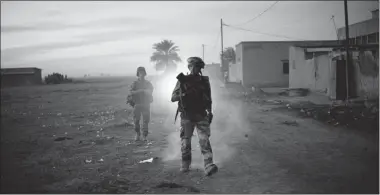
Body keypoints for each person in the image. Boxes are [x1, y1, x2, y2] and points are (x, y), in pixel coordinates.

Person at [171, 57, 218, 176]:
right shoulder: (182, 80)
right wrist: (184, 94)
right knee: (186, 142)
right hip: (187, 116)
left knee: (204, 140)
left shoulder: (204, 81)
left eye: (198, 67)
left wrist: (210, 112)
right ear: (189, 67)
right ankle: (185, 164)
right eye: (195, 67)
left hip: (201, 115)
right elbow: (173, 97)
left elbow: (209, 98)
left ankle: (208, 164)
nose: (196, 70)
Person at [129, 66, 154, 141]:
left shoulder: (148, 83)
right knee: (136, 120)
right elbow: (131, 92)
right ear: (138, 73)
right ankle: (137, 134)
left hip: (146, 104)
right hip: (137, 104)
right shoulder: (135, 83)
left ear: (145, 73)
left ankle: (144, 136)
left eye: (143, 72)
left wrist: (145, 91)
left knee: (145, 121)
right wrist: (141, 91)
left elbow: (150, 91)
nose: (141, 74)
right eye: (140, 72)